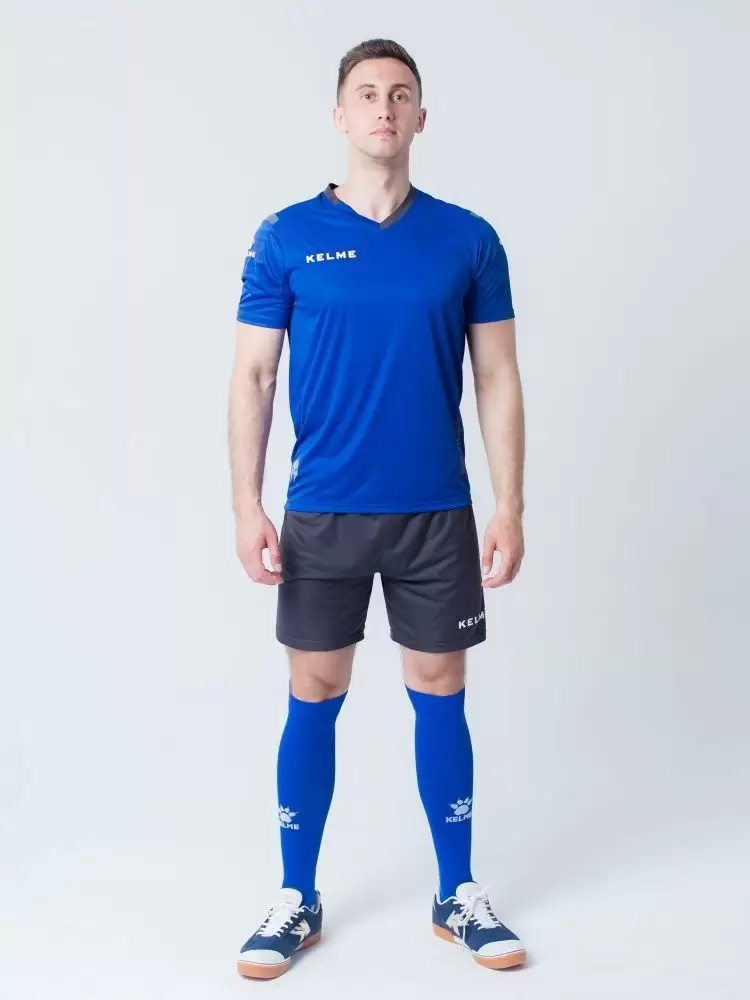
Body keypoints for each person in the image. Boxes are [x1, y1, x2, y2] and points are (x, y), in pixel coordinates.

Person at [228, 37, 526, 980]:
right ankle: (295, 897)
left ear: (421, 118)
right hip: (324, 510)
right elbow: (253, 376)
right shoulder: (285, 237)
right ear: (340, 116)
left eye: (400, 95)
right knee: (314, 691)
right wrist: (246, 505)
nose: (384, 109)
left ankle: (457, 893)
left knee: (440, 686)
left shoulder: (467, 238)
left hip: (436, 511)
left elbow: (498, 377)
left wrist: (510, 505)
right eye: (367, 94)